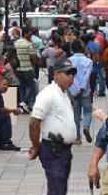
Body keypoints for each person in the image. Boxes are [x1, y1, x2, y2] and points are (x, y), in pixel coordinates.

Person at [28, 60, 78, 195]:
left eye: (73, 74)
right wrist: (35, 146)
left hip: (65, 151)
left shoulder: (64, 93)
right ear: (56, 74)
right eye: (68, 73)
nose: (71, 77)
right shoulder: (48, 94)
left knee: (60, 189)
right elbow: (34, 122)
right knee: (57, 189)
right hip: (54, 150)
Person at [67, 40, 94, 144]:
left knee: (76, 113)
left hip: (73, 90)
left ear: (72, 49)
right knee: (87, 111)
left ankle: (77, 137)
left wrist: (75, 88)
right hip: (85, 91)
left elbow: (69, 75)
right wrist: (82, 88)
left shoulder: (68, 61)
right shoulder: (88, 61)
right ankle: (86, 126)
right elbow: (87, 76)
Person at [14, 31, 38, 110]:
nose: (31, 36)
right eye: (29, 34)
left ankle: (23, 105)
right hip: (27, 68)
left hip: (18, 69)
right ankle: (24, 102)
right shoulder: (28, 44)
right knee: (31, 86)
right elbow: (33, 58)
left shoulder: (16, 42)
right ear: (25, 34)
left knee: (22, 87)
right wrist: (34, 48)